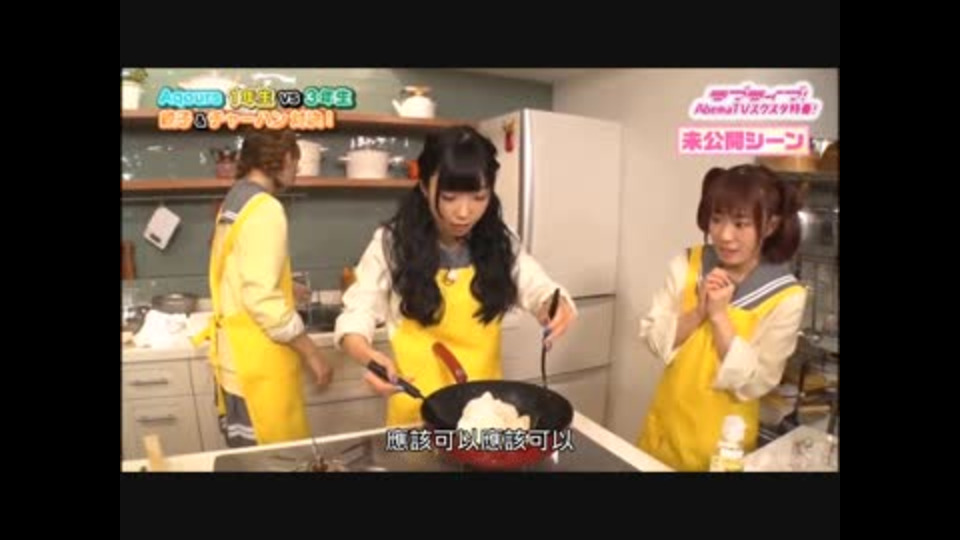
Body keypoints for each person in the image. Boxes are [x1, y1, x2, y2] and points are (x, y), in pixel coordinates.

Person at [334, 126, 577, 427]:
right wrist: (368, 357)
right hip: (415, 413)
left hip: (487, 415)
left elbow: (536, 287)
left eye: (479, 197)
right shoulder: (392, 243)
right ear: (424, 187)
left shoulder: (500, 242)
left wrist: (553, 306)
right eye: (449, 197)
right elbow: (357, 313)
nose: (464, 212)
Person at [636, 164, 808, 471]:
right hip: (663, 433)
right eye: (717, 219)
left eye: (741, 224)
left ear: (770, 225)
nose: (725, 235)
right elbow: (653, 337)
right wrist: (699, 311)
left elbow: (759, 381)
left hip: (725, 447)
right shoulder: (688, 263)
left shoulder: (785, 295)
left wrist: (719, 318)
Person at [193, 129, 333, 447]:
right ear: (282, 159)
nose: (297, 170)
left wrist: (286, 284)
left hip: (235, 363)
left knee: (247, 460)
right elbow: (263, 302)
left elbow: (236, 268)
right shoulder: (265, 209)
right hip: (259, 367)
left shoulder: (234, 200)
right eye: (295, 161)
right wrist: (313, 353)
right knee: (278, 462)